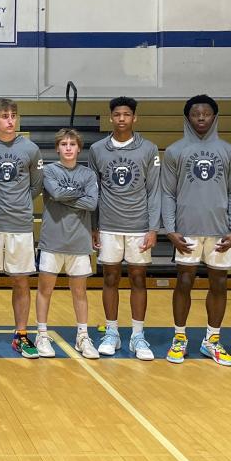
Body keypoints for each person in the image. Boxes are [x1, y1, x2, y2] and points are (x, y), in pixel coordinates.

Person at [162, 95, 231, 366]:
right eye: (195, 113)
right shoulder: (175, 151)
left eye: (206, 113)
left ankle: (212, 340)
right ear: (187, 117)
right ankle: (180, 338)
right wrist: (170, 229)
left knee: (219, 284)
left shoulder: (230, 151)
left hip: (220, 231)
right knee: (184, 282)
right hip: (187, 230)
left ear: (214, 117)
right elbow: (167, 193)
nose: (200, 118)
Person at [89, 97, 161, 361]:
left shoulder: (149, 148)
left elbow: (154, 191)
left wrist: (153, 228)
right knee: (109, 278)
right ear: (111, 118)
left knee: (138, 279)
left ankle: (138, 335)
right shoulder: (98, 149)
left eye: (126, 114)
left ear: (134, 118)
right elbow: (93, 190)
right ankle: (112, 332)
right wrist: (94, 225)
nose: (122, 119)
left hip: (139, 226)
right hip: (108, 225)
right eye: (117, 114)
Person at [0, 98, 44, 360]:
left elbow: (36, 185)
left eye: (14, 115)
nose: (10, 120)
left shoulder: (31, 149)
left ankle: (21, 334)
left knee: (20, 279)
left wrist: (19, 203)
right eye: (4, 116)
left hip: (20, 225)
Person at [35, 129, 100, 359]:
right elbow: (55, 192)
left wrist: (64, 195)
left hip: (79, 241)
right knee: (45, 290)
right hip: (52, 240)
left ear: (79, 148)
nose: (69, 147)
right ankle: (41, 334)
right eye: (64, 144)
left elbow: (92, 203)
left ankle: (82, 335)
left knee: (80, 292)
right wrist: (73, 194)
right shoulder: (49, 171)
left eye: (73, 144)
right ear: (57, 148)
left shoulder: (88, 174)